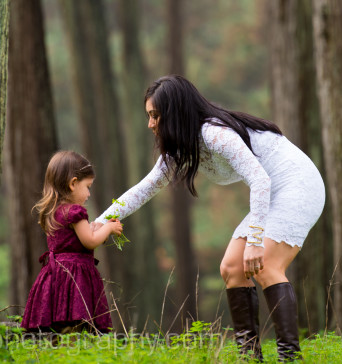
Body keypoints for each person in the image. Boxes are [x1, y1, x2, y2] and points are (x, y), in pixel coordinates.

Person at [94, 75, 325, 361]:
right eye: (149, 116)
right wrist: (99, 223)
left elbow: (260, 180)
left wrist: (254, 241)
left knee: (265, 265)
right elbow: (143, 190)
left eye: (155, 115)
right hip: (270, 190)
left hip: (297, 184)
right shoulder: (180, 149)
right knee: (232, 268)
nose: (150, 124)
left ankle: (290, 358)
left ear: (174, 112)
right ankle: (249, 358)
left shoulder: (214, 134)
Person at [21, 151, 124, 334]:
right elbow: (90, 242)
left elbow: (72, 241)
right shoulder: (75, 212)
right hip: (75, 277)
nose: (89, 194)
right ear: (73, 183)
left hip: (56, 275)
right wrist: (107, 228)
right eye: (88, 186)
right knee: (77, 324)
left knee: (61, 326)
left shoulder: (54, 211)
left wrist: (93, 228)